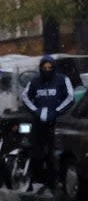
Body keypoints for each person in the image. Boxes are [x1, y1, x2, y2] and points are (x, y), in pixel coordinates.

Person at [21, 55, 75, 193]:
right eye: (44, 67)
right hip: (38, 122)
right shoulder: (35, 81)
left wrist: (57, 111)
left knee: (54, 153)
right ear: (40, 68)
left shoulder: (62, 80)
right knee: (36, 152)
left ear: (54, 67)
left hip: (56, 122)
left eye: (50, 67)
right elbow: (25, 96)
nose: (47, 70)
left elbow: (70, 97)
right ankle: (38, 180)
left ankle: (55, 182)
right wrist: (35, 110)